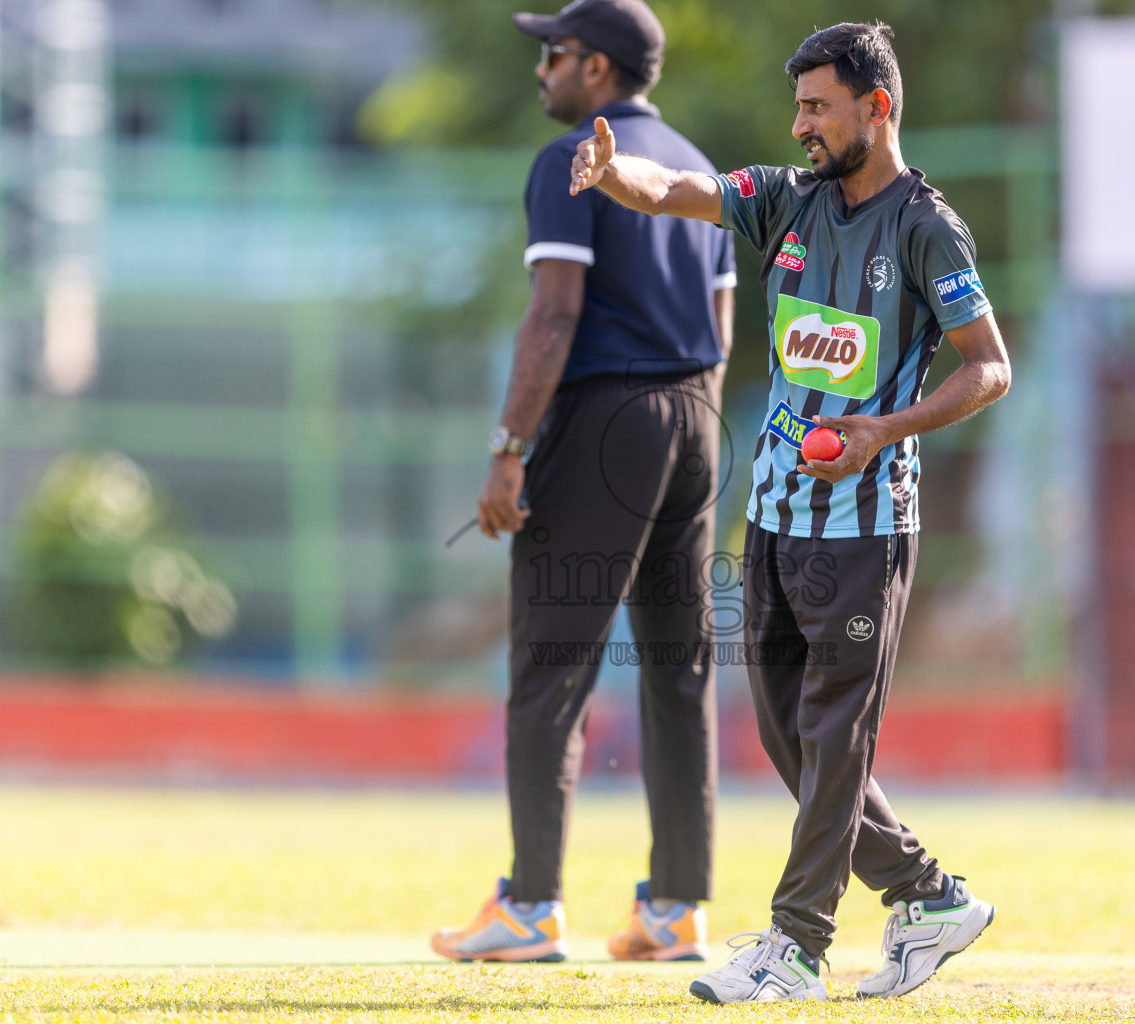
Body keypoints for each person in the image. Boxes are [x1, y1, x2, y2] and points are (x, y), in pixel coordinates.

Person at [568, 21, 1011, 1002]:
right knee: (790, 740)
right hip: (773, 523)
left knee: (835, 733)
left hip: (865, 531)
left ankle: (797, 944)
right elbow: (678, 192)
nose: (801, 124)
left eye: (818, 106)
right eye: (799, 106)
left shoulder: (925, 228)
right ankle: (929, 898)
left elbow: (990, 366)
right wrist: (612, 176)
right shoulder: (785, 200)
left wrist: (881, 429)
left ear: (876, 107)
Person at [431, 0, 735, 965]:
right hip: (698, 416)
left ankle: (527, 908)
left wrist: (508, 444)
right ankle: (677, 909)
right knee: (680, 672)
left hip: (610, 416)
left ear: (597, 69)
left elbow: (554, 316)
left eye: (554, 54)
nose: (543, 72)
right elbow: (724, 330)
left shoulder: (577, 163)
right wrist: (692, 436)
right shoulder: (699, 168)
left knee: (551, 666)